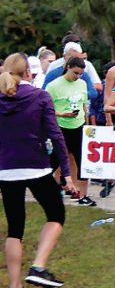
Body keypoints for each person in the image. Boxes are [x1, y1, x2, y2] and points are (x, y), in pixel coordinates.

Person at [0, 53, 76, 288]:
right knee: (55, 214)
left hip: (5, 169)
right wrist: (67, 174)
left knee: (15, 227)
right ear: (28, 73)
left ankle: (15, 284)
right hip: (36, 165)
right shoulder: (40, 96)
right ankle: (38, 267)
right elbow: (56, 136)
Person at [46, 56, 96, 207]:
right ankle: (48, 190)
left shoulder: (81, 84)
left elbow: (84, 106)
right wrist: (61, 114)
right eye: (75, 73)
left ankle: (83, 195)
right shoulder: (53, 86)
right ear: (68, 67)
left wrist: (87, 125)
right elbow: (46, 110)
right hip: (61, 127)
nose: (78, 76)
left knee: (83, 161)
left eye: (80, 74)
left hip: (79, 125)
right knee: (55, 160)